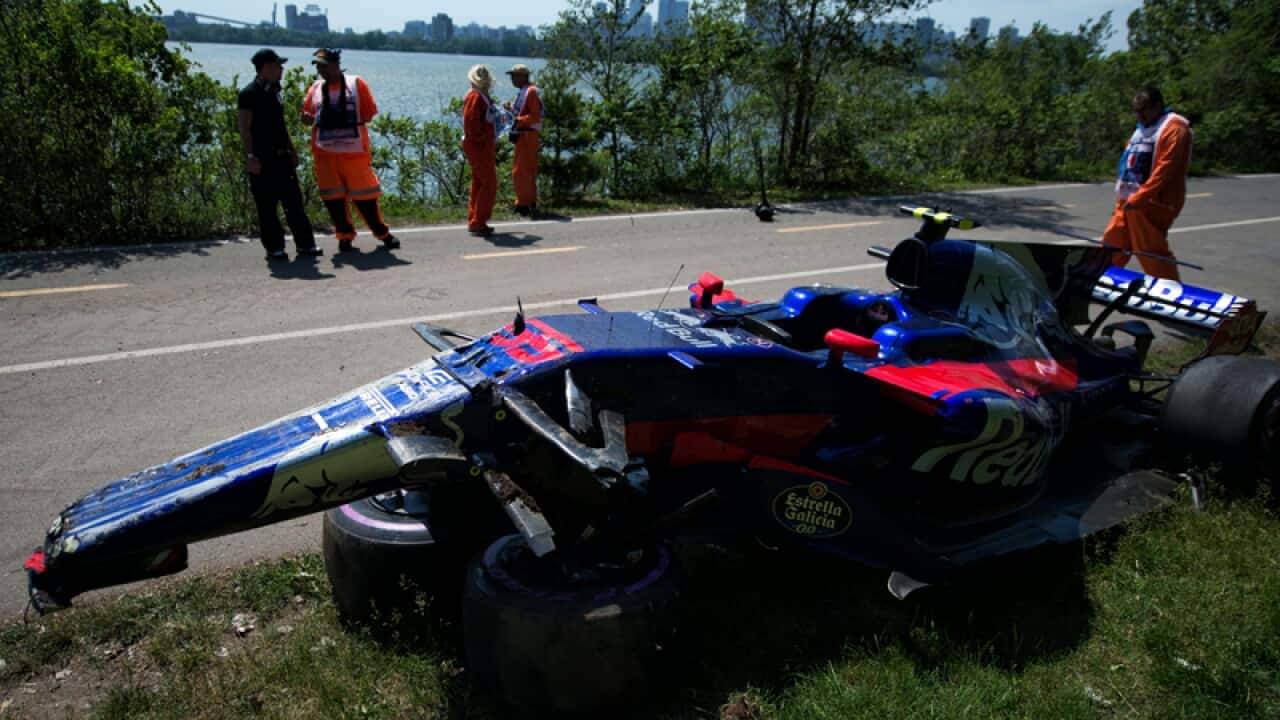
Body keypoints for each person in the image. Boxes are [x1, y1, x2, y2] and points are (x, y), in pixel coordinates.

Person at [300, 48, 399, 253]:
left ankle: (382, 233)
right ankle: (344, 236)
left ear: (336, 65)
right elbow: (307, 114)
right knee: (333, 199)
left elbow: (369, 113)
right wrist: (308, 119)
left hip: (354, 153)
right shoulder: (315, 88)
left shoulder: (356, 84)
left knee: (366, 198)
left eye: (324, 66)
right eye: (318, 67)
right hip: (325, 154)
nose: (321, 71)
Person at [1101, 86, 1192, 281]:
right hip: (1128, 201)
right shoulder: (1143, 128)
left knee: (1149, 251)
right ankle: (1102, 278)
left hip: (1153, 202)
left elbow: (1165, 170)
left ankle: (1169, 288)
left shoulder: (1175, 128)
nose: (1139, 116)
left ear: (1157, 106)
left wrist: (1140, 198)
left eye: (1143, 110)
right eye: (1136, 111)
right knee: (1113, 243)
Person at [237, 48, 321, 261]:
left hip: (282, 157)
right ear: (265, 68)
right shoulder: (248, 94)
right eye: (277, 66)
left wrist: (292, 150)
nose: (281, 69)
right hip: (262, 159)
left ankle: (306, 244)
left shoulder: (275, 93)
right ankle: (274, 247)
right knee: (267, 207)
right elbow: (244, 129)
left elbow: (281, 127)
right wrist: (250, 157)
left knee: (294, 203)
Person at [462, 65, 501, 236]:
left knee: (479, 182)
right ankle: (479, 221)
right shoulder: (475, 97)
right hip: (479, 146)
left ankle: (475, 219)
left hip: (480, 144)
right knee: (489, 183)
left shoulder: (480, 97)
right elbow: (472, 123)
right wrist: (483, 138)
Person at [503, 64, 543, 217]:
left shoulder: (530, 92)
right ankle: (529, 201)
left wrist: (518, 120)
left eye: (514, 76)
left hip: (527, 134)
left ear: (523, 77)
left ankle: (523, 204)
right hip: (525, 134)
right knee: (527, 170)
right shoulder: (525, 91)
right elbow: (523, 112)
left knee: (520, 171)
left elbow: (535, 116)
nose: (512, 79)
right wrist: (511, 109)